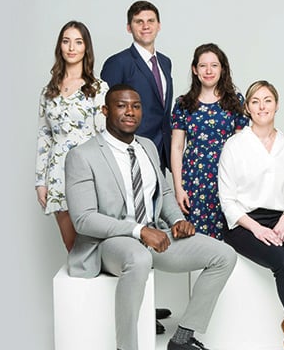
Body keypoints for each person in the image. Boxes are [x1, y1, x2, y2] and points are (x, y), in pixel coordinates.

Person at [64, 85, 236, 350]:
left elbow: (164, 191)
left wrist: (177, 220)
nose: (130, 112)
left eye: (136, 106)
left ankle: (182, 338)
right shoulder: (82, 155)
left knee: (224, 255)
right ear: (105, 111)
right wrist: (138, 231)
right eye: (121, 106)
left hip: (156, 234)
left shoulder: (147, 146)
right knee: (139, 257)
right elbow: (84, 220)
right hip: (109, 241)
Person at [219, 81, 284, 350]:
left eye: (267, 100)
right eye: (255, 101)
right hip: (243, 223)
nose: (262, 106)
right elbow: (227, 200)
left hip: (279, 216)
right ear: (247, 108)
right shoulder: (235, 145)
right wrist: (256, 228)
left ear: (277, 105)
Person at [35, 20, 108, 252]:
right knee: (71, 244)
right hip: (57, 171)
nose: (71, 47)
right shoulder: (48, 91)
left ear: (86, 47)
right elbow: (44, 137)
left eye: (78, 42)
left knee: (93, 242)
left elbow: (104, 136)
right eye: (66, 41)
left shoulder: (98, 88)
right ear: (60, 47)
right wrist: (40, 181)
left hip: (89, 170)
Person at [171, 43, 249, 240]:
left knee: (229, 237)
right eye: (203, 65)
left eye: (214, 65)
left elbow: (242, 148)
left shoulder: (235, 101)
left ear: (222, 69)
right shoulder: (183, 104)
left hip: (226, 179)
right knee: (195, 239)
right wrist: (178, 188)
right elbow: (177, 147)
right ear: (195, 70)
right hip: (193, 180)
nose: (208, 71)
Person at [101, 0, 173, 172]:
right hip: (129, 150)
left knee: (157, 199)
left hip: (161, 150)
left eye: (150, 21)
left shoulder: (165, 62)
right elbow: (105, 111)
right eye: (138, 22)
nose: (145, 26)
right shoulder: (118, 63)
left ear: (159, 25)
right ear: (129, 27)